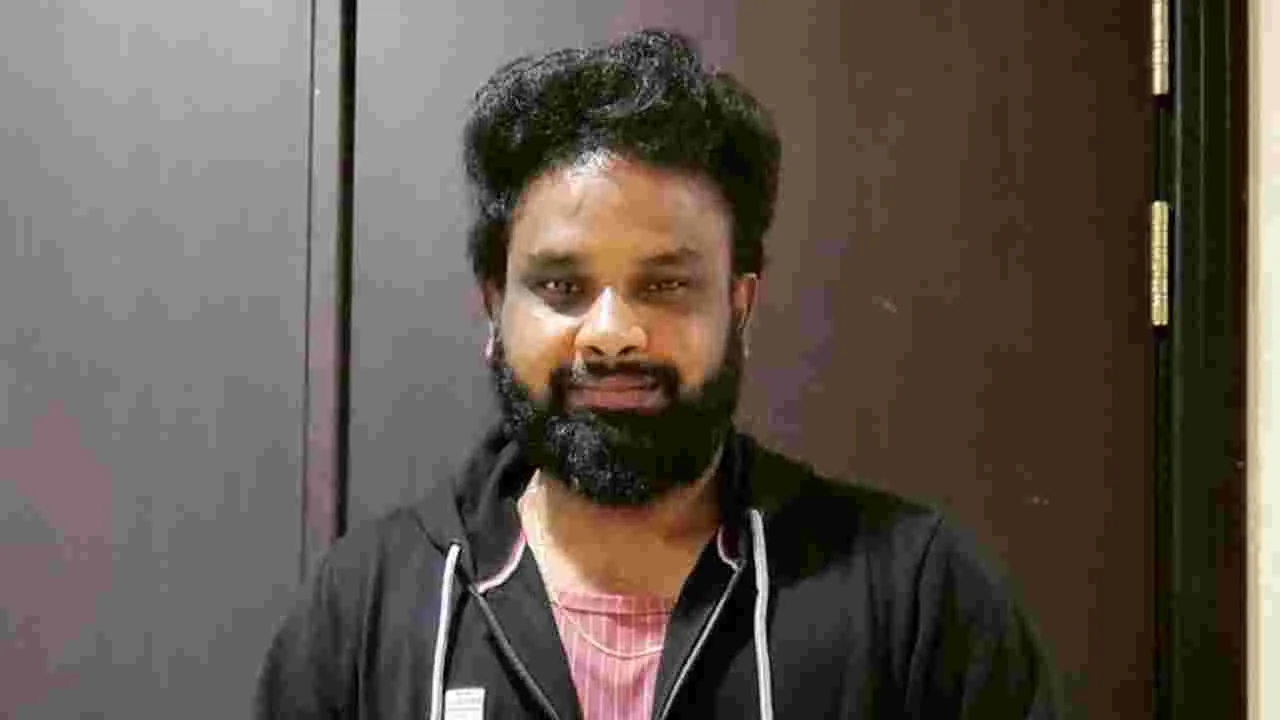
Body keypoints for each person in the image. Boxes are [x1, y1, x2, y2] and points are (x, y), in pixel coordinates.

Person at [255, 28, 1059, 720]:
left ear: (740, 305)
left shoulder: (918, 598)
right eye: (562, 287)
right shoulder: (366, 610)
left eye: (666, 284)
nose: (611, 336)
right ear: (494, 309)